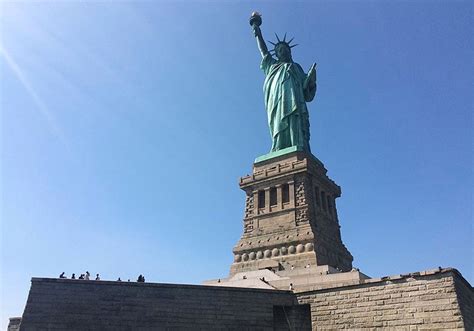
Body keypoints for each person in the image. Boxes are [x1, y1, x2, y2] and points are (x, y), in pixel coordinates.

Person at [251, 14, 317, 153]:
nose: (284, 51)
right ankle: (279, 146)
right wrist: (257, 32)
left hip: (296, 101)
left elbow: (307, 91)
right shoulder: (272, 65)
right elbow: (263, 50)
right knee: (278, 121)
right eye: (280, 50)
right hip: (277, 100)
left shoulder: (297, 67)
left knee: (295, 120)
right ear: (276, 53)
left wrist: (311, 79)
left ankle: (297, 145)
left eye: (286, 49)